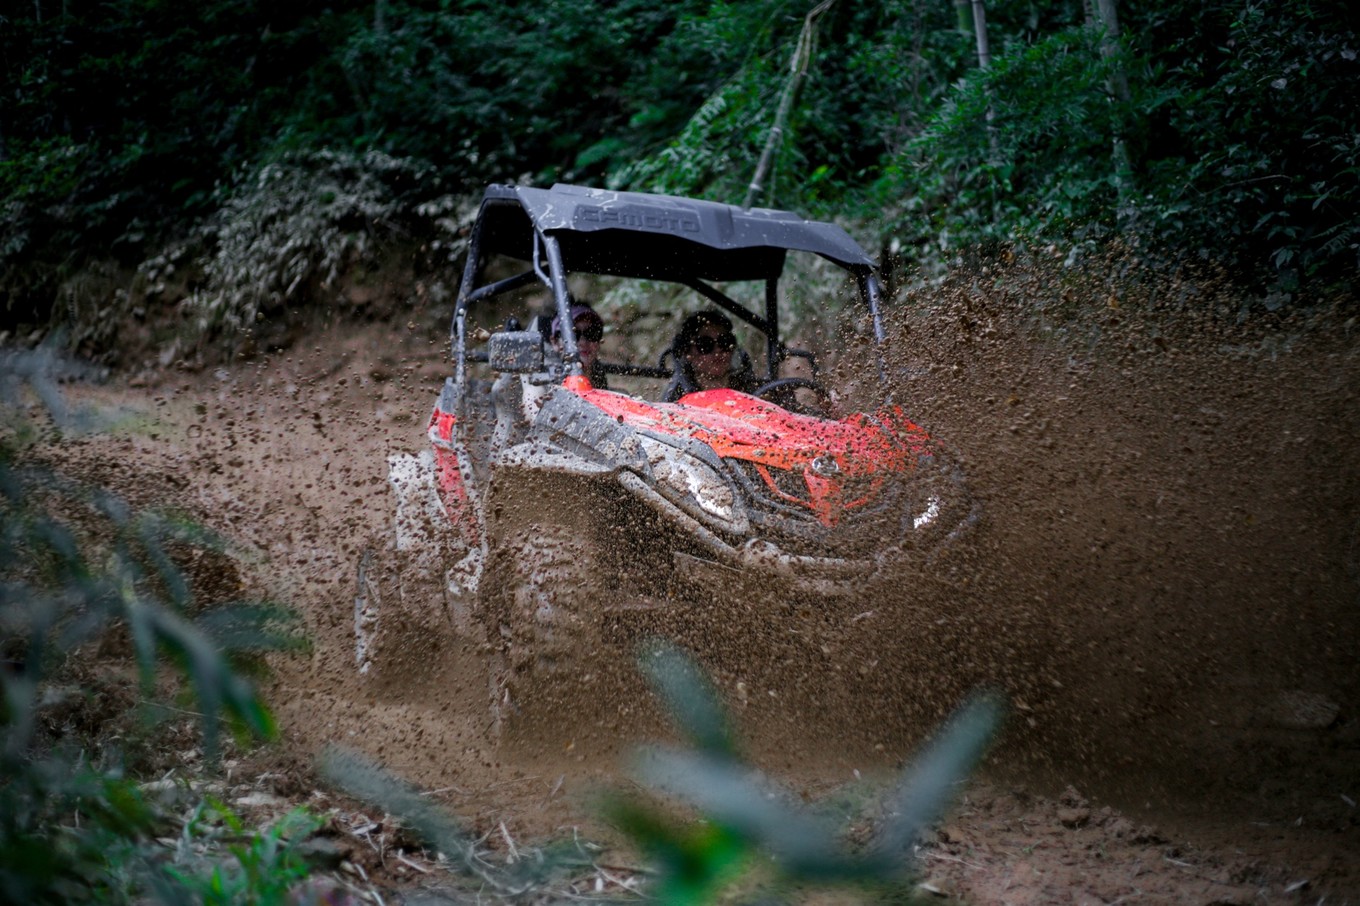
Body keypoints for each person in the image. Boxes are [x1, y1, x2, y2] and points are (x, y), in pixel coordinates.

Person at [663, 310, 758, 402]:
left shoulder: (753, 391)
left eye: (724, 342)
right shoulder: (677, 399)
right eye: (706, 345)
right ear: (688, 353)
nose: (718, 350)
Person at [550, 301, 607, 388]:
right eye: (573, 335)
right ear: (555, 342)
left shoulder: (601, 382)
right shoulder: (543, 385)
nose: (583, 342)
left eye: (592, 333)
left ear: (599, 342)